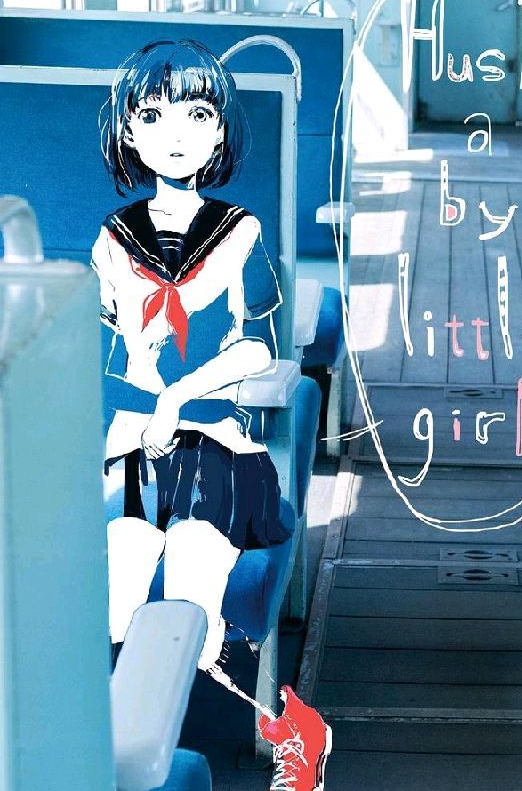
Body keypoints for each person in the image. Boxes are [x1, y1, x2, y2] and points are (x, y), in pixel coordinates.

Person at [92, 39, 331, 790]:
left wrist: (176, 394)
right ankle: (105, 750)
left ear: (220, 132)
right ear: (128, 131)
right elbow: (102, 346)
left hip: (214, 440)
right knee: (117, 587)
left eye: (197, 115)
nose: (175, 133)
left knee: (194, 576)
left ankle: (280, 726)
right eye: (152, 115)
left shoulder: (241, 232)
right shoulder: (113, 239)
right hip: (133, 444)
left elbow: (257, 347)